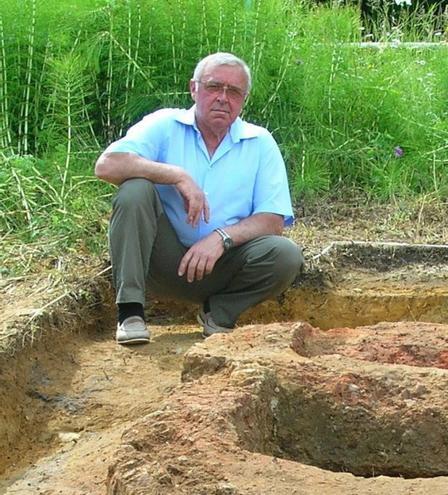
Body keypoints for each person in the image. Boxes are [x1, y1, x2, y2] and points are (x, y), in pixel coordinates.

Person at [95, 52, 303, 345]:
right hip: (160, 260)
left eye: (233, 91)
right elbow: (107, 165)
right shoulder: (165, 124)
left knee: (285, 254)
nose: (222, 97)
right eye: (214, 87)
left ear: (244, 99)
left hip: (223, 266)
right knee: (135, 190)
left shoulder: (260, 142)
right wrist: (176, 175)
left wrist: (221, 238)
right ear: (194, 88)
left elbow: (272, 220)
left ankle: (218, 313)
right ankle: (130, 311)